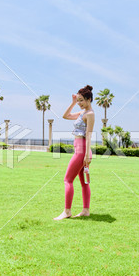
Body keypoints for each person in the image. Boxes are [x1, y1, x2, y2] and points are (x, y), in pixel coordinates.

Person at [53, 85, 95, 220]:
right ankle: (85, 210)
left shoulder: (90, 114)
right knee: (84, 182)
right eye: (78, 101)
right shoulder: (82, 113)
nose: (79, 103)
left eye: (81, 100)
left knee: (68, 180)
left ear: (89, 99)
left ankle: (67, 211)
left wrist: (87, 154)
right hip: (79, 149)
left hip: (82, 151)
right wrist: (72, 103)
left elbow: (88, 135)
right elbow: (65, 116)